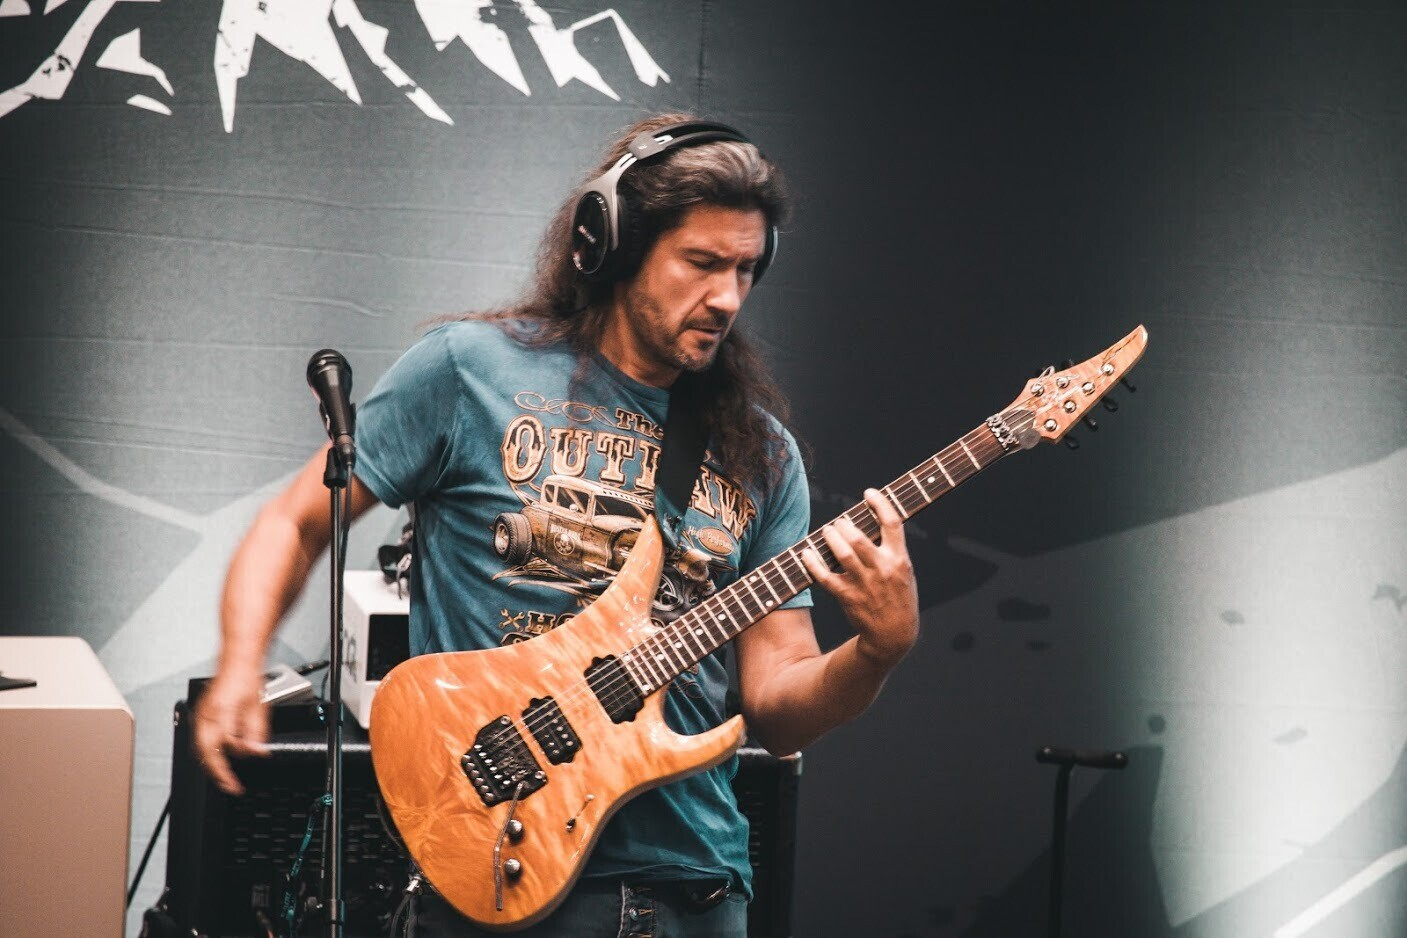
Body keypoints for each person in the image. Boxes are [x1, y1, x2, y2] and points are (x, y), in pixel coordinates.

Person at [193, 113, 920, 937]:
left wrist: (875, 653)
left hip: (693, 889)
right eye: (701, 263)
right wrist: (240, 663)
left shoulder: (761, 452)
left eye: (746, 269)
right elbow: (296, 522)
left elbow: (777, 705)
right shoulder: (469, 370)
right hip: (498, 863)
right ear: (611, 246)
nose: (726, 297)